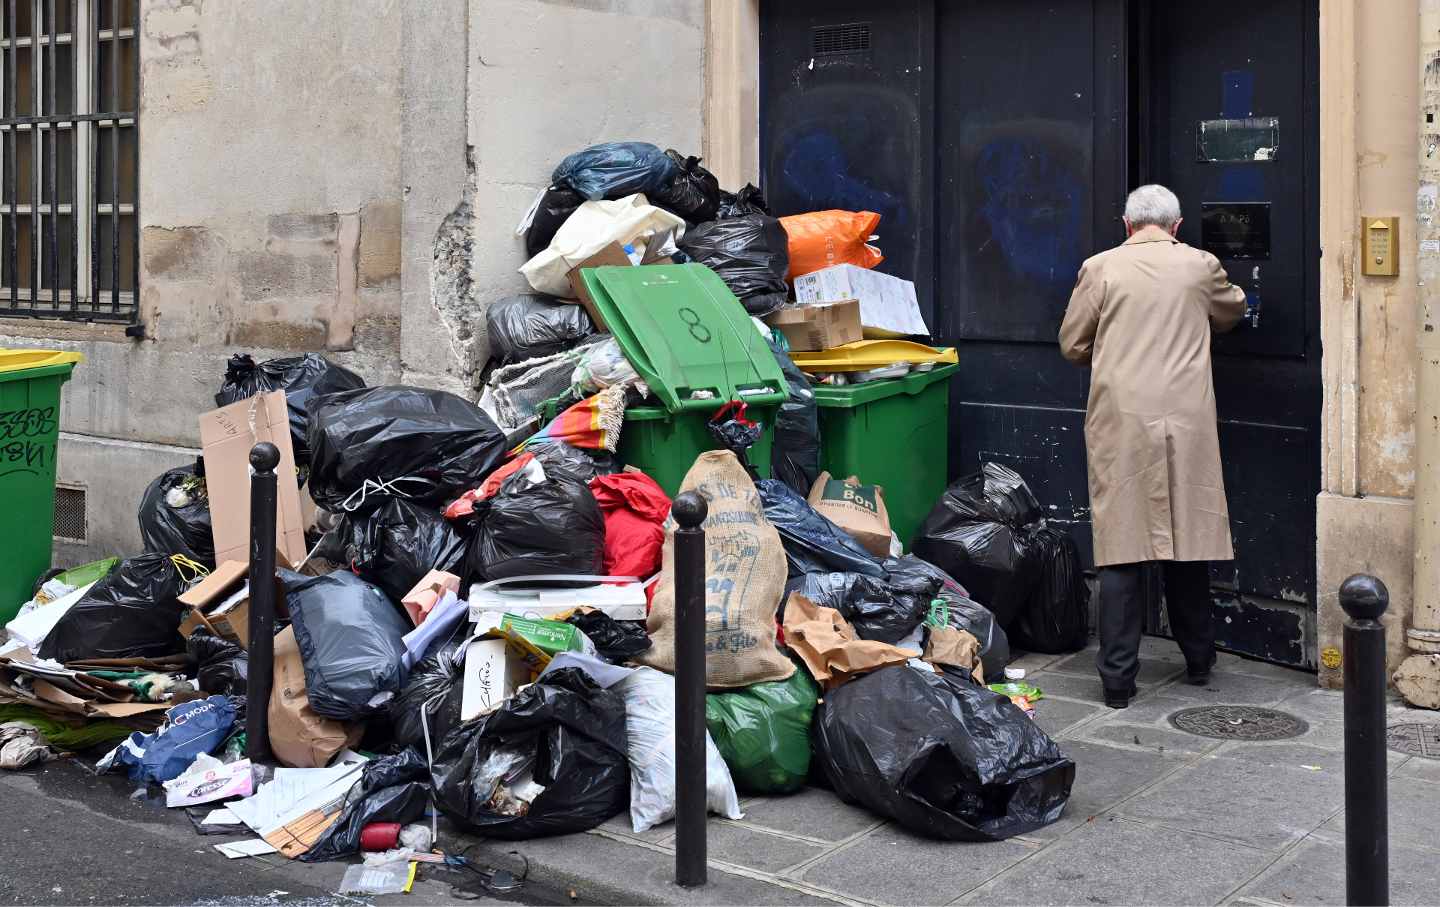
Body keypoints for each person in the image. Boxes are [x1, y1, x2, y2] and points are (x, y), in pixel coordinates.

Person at [1058, 184, 1246, 709]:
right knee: (1188, 537)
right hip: (1185, 419)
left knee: (1122, 545)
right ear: (1177, 225)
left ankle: (1118, 681)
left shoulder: (1100, 268)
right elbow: (1231, 311)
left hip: (1123, 419)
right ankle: (1199, 658)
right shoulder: (1200, 265)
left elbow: (1072, 344)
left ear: (1127, 225)